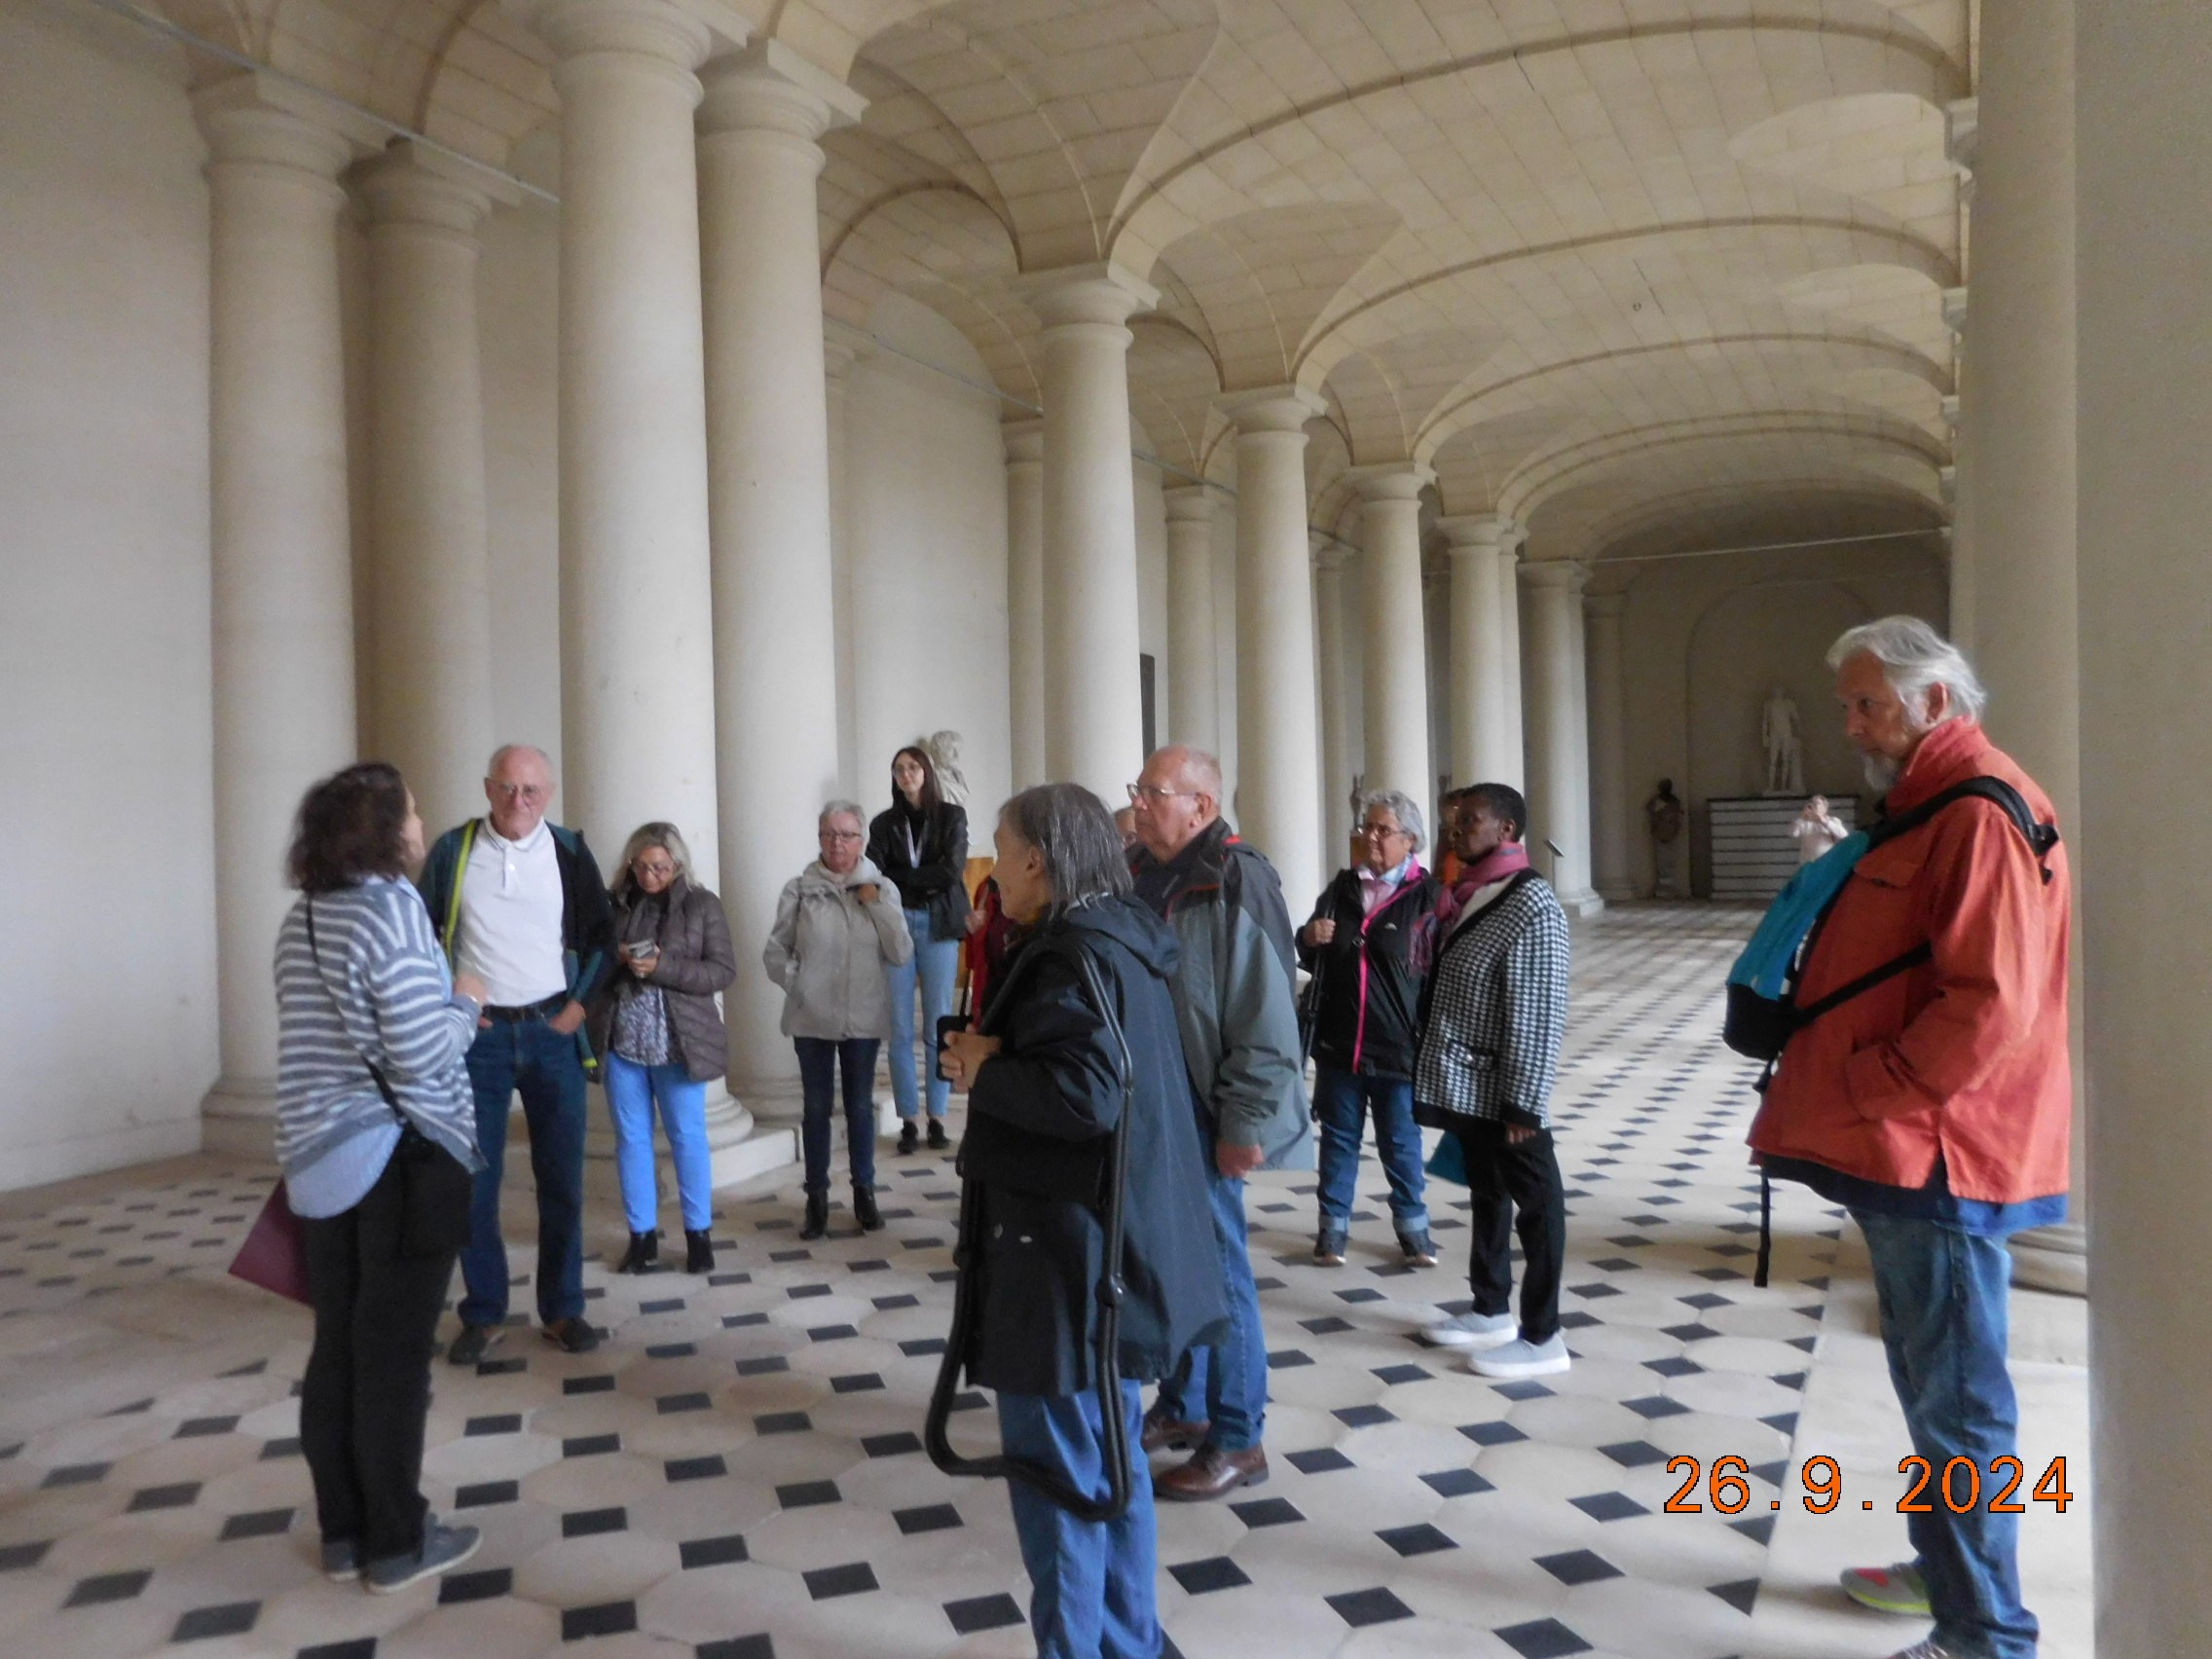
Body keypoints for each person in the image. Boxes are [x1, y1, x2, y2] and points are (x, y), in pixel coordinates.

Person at [1751, 618, 2069, 1659]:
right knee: (1934, 1389)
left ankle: (1986, 1634)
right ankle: (1945, 1574)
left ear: (1934, 702)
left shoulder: (1973, 816)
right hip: (1914, 1150)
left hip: (1939, 1154)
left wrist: (1872, 1086)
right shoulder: (1930, 807)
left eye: (1865, 704)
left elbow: (1990, 1006)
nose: (1849, 725)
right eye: (1846, 704)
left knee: (1959, 1407)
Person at [939, 784, 1227, 1659]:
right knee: (1113, 1465)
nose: (987, 872)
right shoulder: (1125, 932)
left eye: (998, 847)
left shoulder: (1069, 953)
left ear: (1036, 860)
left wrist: (982, 1069)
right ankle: (1130, 1638)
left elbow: (1086, 1093)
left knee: (1063, 1477)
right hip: (1105, 1250)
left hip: (1062, 1261)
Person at [275, 763, 486, 1593]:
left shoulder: (304, 918)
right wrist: (467, 999)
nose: (423, 820)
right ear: (385, 830)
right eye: (412, 809)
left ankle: (345, 1532)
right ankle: (397, 1541)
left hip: (320, 1159)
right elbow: (420, 1051)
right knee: (393, 1360)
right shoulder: (391, 909)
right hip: (399, 1161)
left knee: (340, 1353)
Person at [1125, 745, 1311, 1500]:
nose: (1138, 805)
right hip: (1161, 1107)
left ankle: (1240, 1437)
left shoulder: (1238, 878)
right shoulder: (1145, 871)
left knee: (1223, 1274)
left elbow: (1267, 1019)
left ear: (1201, 806)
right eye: (1136, 791)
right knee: (1176, 1263)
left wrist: (1246, 1122)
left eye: (1153, 793)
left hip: (1211, 1111)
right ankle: (1188, 1404)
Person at [418, 745, 614, 1364]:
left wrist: (579, 1011)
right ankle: (483, 1312)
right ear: (487, 788)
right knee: (474, 1180)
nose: (518, 802)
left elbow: (605, 941)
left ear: (549, 794)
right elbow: (421, 936)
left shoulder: (569, 853)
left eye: (531, 791)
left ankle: (562, 1308)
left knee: (562, 1180)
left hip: (551, 1032)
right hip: (479, 1039)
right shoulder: (454, 851)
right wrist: (453, 1004)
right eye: (507, 788)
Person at [1415, 783, 1574, 1381]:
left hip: (1506, 1091)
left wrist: (1524, 1104)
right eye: (1454, 820)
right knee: (1488, 1193)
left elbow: (1538, 1010)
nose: (1457, 829)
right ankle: (1490, 1308)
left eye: (1470, 820)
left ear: (1506, 830)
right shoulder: (1476, 893)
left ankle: (1543, 1335)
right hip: (1471, 1085)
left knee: (1538, 1205)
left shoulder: (1531, 903)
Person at [1297, 789, 1443, 1268]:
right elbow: (1310, 949)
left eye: (1383, 830)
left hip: (1399, 1046)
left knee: (1400, 1142)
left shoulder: (1429, 897)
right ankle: (1332, 1230)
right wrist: (1308, 937)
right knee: (1338, 1139)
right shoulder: (1342, 887)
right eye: (1368, 828)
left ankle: (1414, 1230)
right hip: (1340, 1042)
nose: (1371, 837)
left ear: (1411, 840)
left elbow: (1439, 972)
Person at [589, 823, 736, 1276]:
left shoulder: (702, 904)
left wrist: (663, 967)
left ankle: (698, 1236)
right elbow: (588, 965)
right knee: (632, 1140)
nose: (650, 876)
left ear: (678, 865)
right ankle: (642, 1237)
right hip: (623, 1040)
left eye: (660, 867)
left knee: (687, 1137)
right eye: (641, 866)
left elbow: (722, 971)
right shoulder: (615, 904)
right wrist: (613, 958)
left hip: (678, 1040)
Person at [765, 801, 914, 1240]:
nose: (837, 843)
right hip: (811, 1016)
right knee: (815, 1108)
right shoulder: (800, 888)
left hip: (863, 1016)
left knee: (859, 1108)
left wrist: (877, 905)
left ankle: (864, 1192)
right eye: (829, 834)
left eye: (846, 835)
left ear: (862, 840)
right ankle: (816, 1198)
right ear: (819, 838)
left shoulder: (883, 888)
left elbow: (901, 952)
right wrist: (799, 983)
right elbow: (775, 951)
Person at [869, 746, 971, 1153]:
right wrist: (913, 879)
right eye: (899, 769)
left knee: (936, 1026)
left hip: (938, 922)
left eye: (912, 768)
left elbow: (951, 872)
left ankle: (937, 1117)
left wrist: (903, 877)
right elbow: (876, 872)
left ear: (926, 772)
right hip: (897, 925)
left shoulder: (951, 817)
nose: (906, 775)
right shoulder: (884, 823)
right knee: (898, 1029)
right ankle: (909, 1119)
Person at [1646, 778, 1685, 898]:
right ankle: (1663, 888)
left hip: (1671, 833)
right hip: (1660, 833)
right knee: (1661, 862)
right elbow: (1651, 811)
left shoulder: (1675, 801)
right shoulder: (1656, 801)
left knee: (1670, 861)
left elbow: (1678, 817)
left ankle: (1669, 888)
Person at [1793, 793, 1850, 864]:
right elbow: (1793, 833)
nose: (1815, 806)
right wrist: (1802, 817)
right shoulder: (1804, 823)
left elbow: (1844, 835)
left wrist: (1824, 821)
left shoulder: (1833, 821)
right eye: (1813, 804)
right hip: (1808, 863)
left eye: (1818, 804)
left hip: (1827, 862)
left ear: (1825, 808)